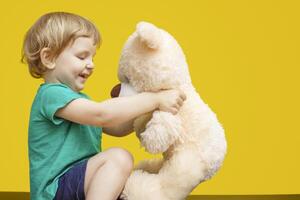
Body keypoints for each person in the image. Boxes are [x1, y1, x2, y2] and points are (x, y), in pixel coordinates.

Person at [21, 12, 186, 200]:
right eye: (82, 57)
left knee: (128, 184)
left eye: (92, 57)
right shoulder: (51, 94)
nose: (91, 64)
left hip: (77, 185)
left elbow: (116, 126)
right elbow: (102, 115)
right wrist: (154, 99)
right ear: (49, 58)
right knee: (119, 158)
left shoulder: (79, 101)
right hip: (55, 191)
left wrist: (149, 108)